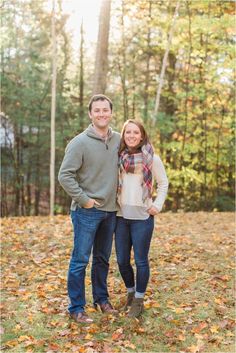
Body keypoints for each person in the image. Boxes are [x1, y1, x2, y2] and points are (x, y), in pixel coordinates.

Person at [58, 94, 120, 323]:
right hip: (86, 211)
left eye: (106, 110)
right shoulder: (79, 142)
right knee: (80, 260)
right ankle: (76, 308)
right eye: (97, 110)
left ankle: (101, 300)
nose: (102, 114)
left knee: (102, 259)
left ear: (111, 112)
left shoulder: (119, 140)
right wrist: (84, 200)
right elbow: (65, 175)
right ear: (90, 114)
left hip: (111, 210)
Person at [115, 119, 168, 318]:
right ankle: (130, 293)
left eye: (135, 132)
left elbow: (163, 183)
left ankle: (139, 300)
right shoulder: (119, 156)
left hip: (142, 218)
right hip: (121, 216)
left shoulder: (152, 158)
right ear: (123, 135)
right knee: (121, 260)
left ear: (142, 135)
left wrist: (157, 205)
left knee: (140, 261)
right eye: (127, 132)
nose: (131, 135)